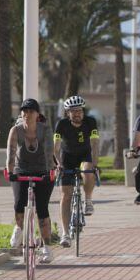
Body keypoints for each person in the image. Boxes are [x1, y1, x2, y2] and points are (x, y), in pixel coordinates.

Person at [6, 99, 55, 263]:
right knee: (19, 203)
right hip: (21, 170)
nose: (27, 114)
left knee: (42, 209)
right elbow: (11, 153)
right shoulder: (16, 130)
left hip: (43, 171)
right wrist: (11, 171)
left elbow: (49, 153)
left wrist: (49, 172)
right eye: (24, 111)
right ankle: (19, 228)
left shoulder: (45, 130)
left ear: (37, 114)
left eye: (31, 111)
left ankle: (47, 248)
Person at [54, 95, 99, 248]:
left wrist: (95, 164)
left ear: (83, 111)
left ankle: (88, 200)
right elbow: (56, 147)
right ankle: (65, 233)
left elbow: (95, 144)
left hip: (84, 155)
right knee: (66, 195)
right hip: (67, 158)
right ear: (68, 113)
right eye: (73, 111)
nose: (77, 114)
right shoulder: (61, 124)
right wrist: (59, 164)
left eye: (79, 110)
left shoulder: (90, 122)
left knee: (88, 169)